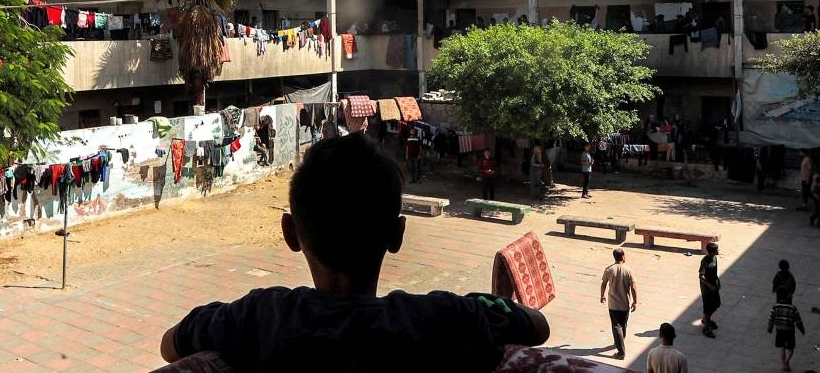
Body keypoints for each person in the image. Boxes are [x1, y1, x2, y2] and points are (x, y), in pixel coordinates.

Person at [159, 134, 550, 371]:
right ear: (397, 235)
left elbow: (170, 344)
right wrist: (482, 305)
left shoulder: (259, 316)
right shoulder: (444, 319)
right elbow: (537, 326)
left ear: (290, 234)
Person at [600, 248, 638, 360]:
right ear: (623, 256)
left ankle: (621, 350)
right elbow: (634, 287)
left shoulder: (609, 270)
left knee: (616, 326)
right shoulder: (629, 270)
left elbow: (603, 284)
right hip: (625, 303)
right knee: (623, 325)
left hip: (613, 304)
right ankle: (621, 343)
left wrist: (602, 295)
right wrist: (635, 301)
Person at [768, 293, 805, 372]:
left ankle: (784, 365)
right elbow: (798, 320)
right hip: (789, 331)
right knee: (791, 349)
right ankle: (787, 361)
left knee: (782, 347)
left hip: (779, 330)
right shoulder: (792, 308)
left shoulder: (776, 306)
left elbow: (771, 318)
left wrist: (770, 328)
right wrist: (802, 330)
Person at [698, 242, 721, 338]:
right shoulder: (705, 260)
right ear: (712, 251)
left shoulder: (714, 258)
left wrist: (717, 282)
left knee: (716, 304)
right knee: (708, 308)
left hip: (714, 286)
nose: (718, 250)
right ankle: (706, 327)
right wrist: (710, 286)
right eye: (717, 249)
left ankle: (705, 319)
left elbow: (714, 273)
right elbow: (701, 276)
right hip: (707, 289)